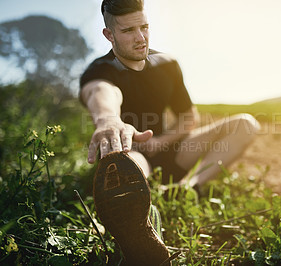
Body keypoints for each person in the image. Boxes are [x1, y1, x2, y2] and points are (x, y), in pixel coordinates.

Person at [79, 0, 260, 263]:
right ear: (109, 35)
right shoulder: (99, 70)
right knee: (126, 167)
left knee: (246, 123)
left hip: (172, 150)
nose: (140, 38)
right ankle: (138, 227)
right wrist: (108, 120)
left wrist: (162, 141)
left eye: (144, 27)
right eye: (128, 30)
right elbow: (100, 92)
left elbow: (189, 117)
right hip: (132, 153)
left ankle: (189, 187)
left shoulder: (167, 64)